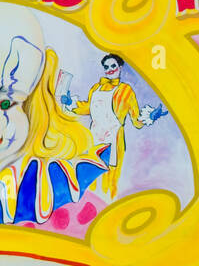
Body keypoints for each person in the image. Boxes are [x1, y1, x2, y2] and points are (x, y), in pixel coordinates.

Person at [61, 53, 155, 197]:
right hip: (94, 137)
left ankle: (109, 204)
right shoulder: (96, 88)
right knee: (90, 173)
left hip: (113, 139)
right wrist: (69, 103)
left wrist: (150, 116)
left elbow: (136, 120)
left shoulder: (126, 91)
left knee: (110, 178)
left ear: (120, 67)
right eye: (106, 67)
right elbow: (87, 108)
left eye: (113, 66)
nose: (109, 69)